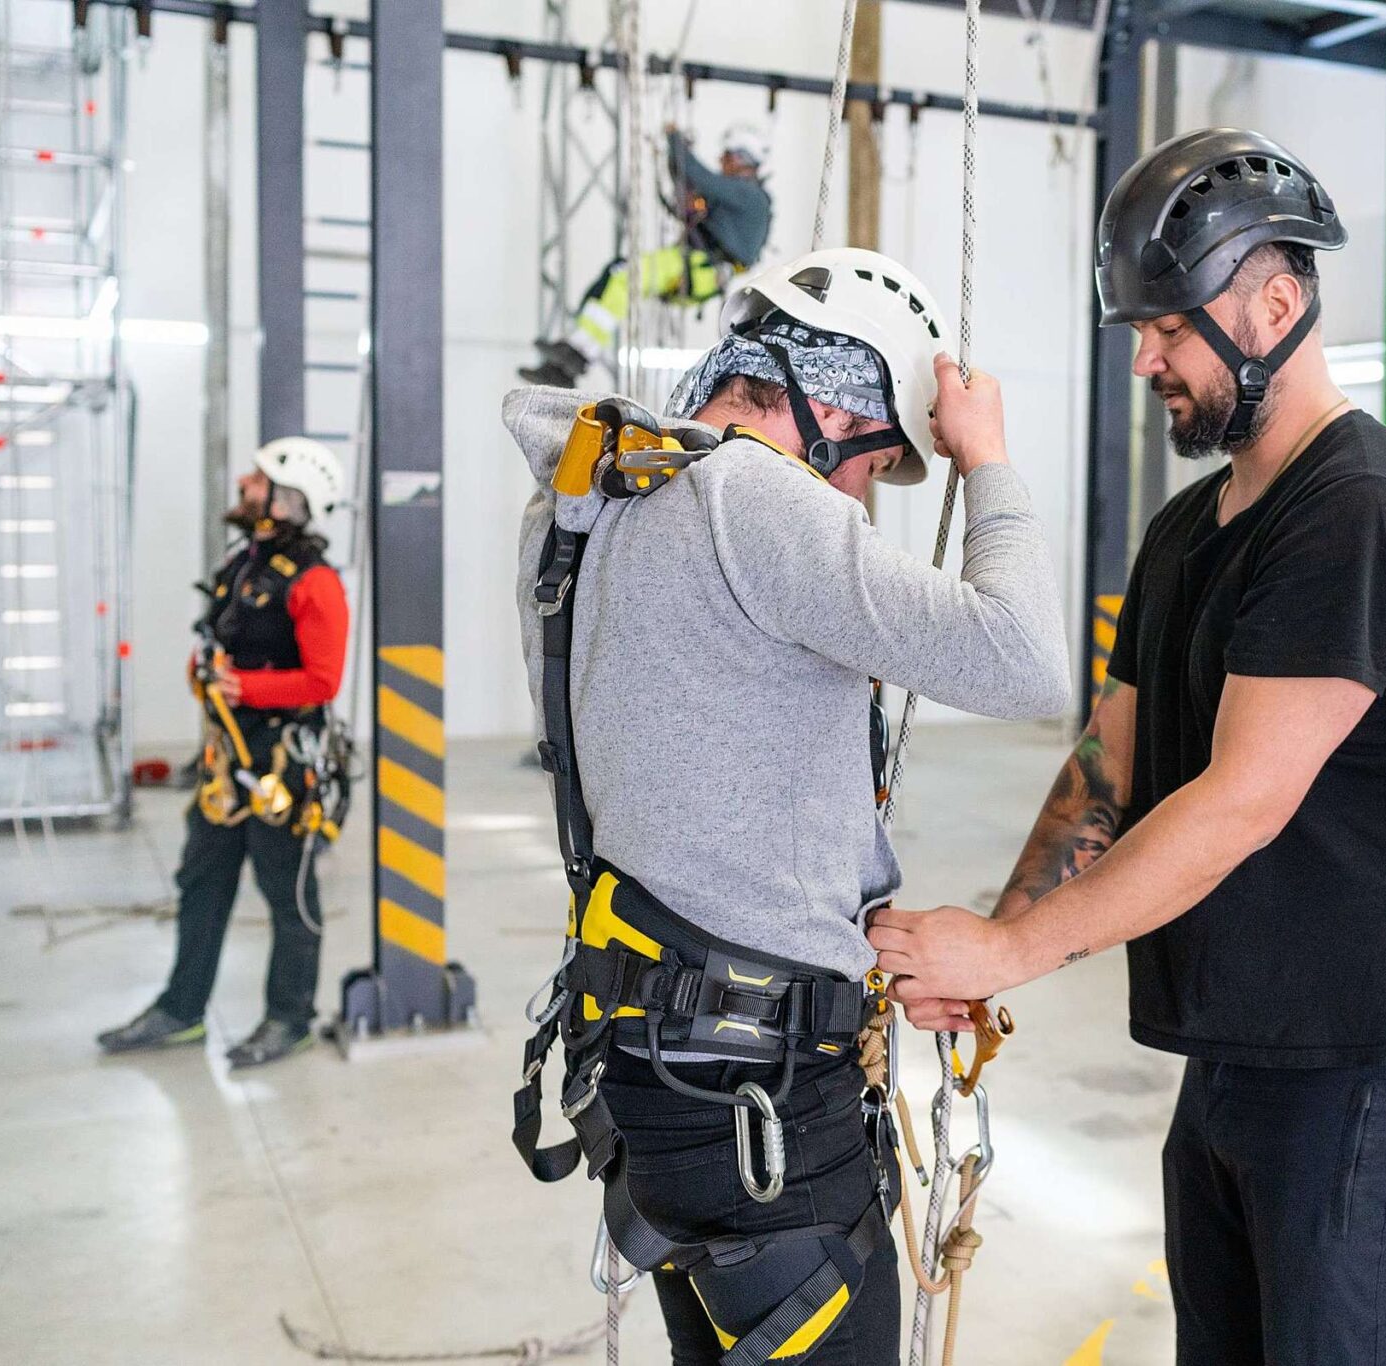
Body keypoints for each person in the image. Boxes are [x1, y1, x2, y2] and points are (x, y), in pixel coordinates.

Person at [869, 128, 1386, 1365]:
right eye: (1138, 333)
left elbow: (1238, 801)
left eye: (1170, 328)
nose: (1150, 362)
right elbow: (1106, 764)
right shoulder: (1184, 530)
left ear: (1277, 301)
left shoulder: (1356, 511)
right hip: (1245, 1054)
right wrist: (997, 950)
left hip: (1375, 1075)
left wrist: (1010, 945)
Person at [505, 245, 1068, 1364]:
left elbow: (699, 776)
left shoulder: (583, 501)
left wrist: (849, 929)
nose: (860, 499)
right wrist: (987, 460)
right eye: (871, 467)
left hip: (650, 1076)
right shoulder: (754, 500)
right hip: (761, 1107)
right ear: (834, 404)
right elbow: (1026, 662)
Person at [98, 438, 353, 1069]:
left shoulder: (315, 584)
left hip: (281, 763)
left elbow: (323, 681)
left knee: (287, 894)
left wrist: (249, 687)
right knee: (201, 881)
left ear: (287, 499)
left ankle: (289, 1018)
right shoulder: (243, 567)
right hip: (226, 762)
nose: (244, 484)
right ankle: (181, 1010)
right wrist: (207, 669)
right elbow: (220, 638)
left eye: (257, 480)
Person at [520, 122, 776, 388]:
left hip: (699, 267)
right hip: (696, 266)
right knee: (615, 270)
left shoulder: (749, 195)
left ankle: (578, 355)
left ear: (741, 158)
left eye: (726, 156)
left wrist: (674, 138)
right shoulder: (740, 197)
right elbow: (691, 184)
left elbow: (699, 177)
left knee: (624, 278)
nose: (721, 161)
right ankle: (570, 353)